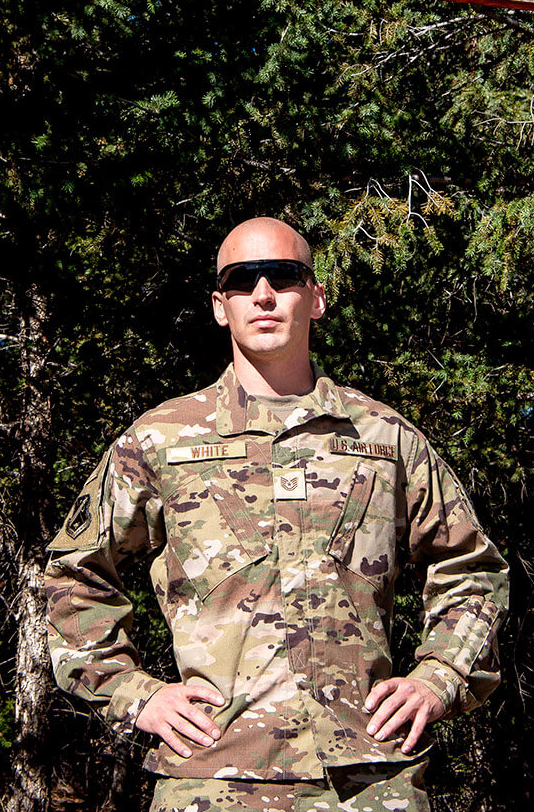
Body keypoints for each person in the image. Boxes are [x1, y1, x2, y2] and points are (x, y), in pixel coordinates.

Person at [44, 217, 508, 812]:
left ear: (315, 297)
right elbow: (73, 575)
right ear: (220, 306)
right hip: (213, 780)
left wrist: (440, 675)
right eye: (241, 281)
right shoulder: (162, 441)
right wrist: (134, 693)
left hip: (368, 783)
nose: (262, 295)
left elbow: (472, 568)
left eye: (283, 276)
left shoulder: (385, 438)